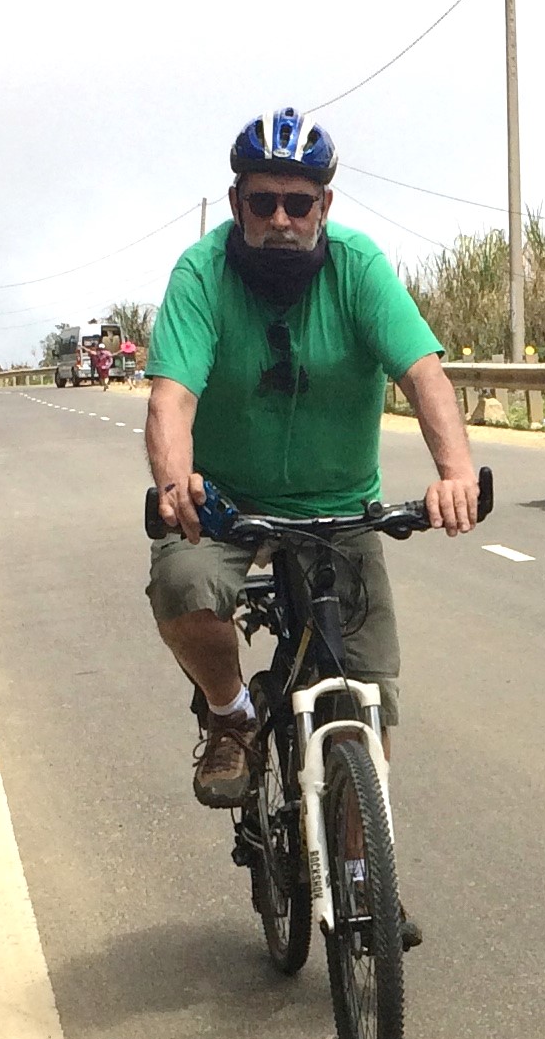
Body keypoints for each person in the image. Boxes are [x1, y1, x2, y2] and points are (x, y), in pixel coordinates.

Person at [143, 109, 479, 828]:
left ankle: (362, 881)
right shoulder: (202, 275)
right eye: (263, 202)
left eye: (300, 203)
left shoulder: (358, 268)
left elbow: (425, 377)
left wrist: (454, 472)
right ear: (237, 205)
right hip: (228, 507)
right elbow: (171, 400)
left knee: (366, 697)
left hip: (340, 511)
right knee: (183, 587)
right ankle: (232, 715)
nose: (282, 220)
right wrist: (176, 486)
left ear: (325, 206)